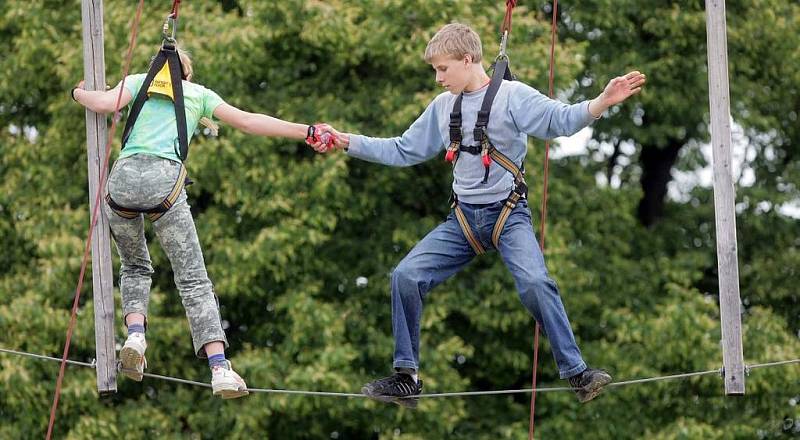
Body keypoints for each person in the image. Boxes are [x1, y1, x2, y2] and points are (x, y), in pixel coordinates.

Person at [313, 23, 646, 405]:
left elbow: (561, 121)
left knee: (536, 284)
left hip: (508, 217)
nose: (438, 78)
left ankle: (578, 373)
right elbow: (402, 150)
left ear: (467, 60)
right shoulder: (443, 107)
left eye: (443, 69)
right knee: (405, 276)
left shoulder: (512, 97)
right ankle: (406, 376)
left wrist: (602, 101)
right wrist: (346, 141)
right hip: (464, 222)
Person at [72, 45, 326, 399]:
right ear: (186, 75)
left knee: (134, 266)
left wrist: (78, 91)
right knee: (192, 279)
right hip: (165, 184)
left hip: (122, 184)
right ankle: (220, 368)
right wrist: (307, 130)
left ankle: (135, 336)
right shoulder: (198, 94)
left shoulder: (138, 83)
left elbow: (101, 104)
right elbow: (250, 122)